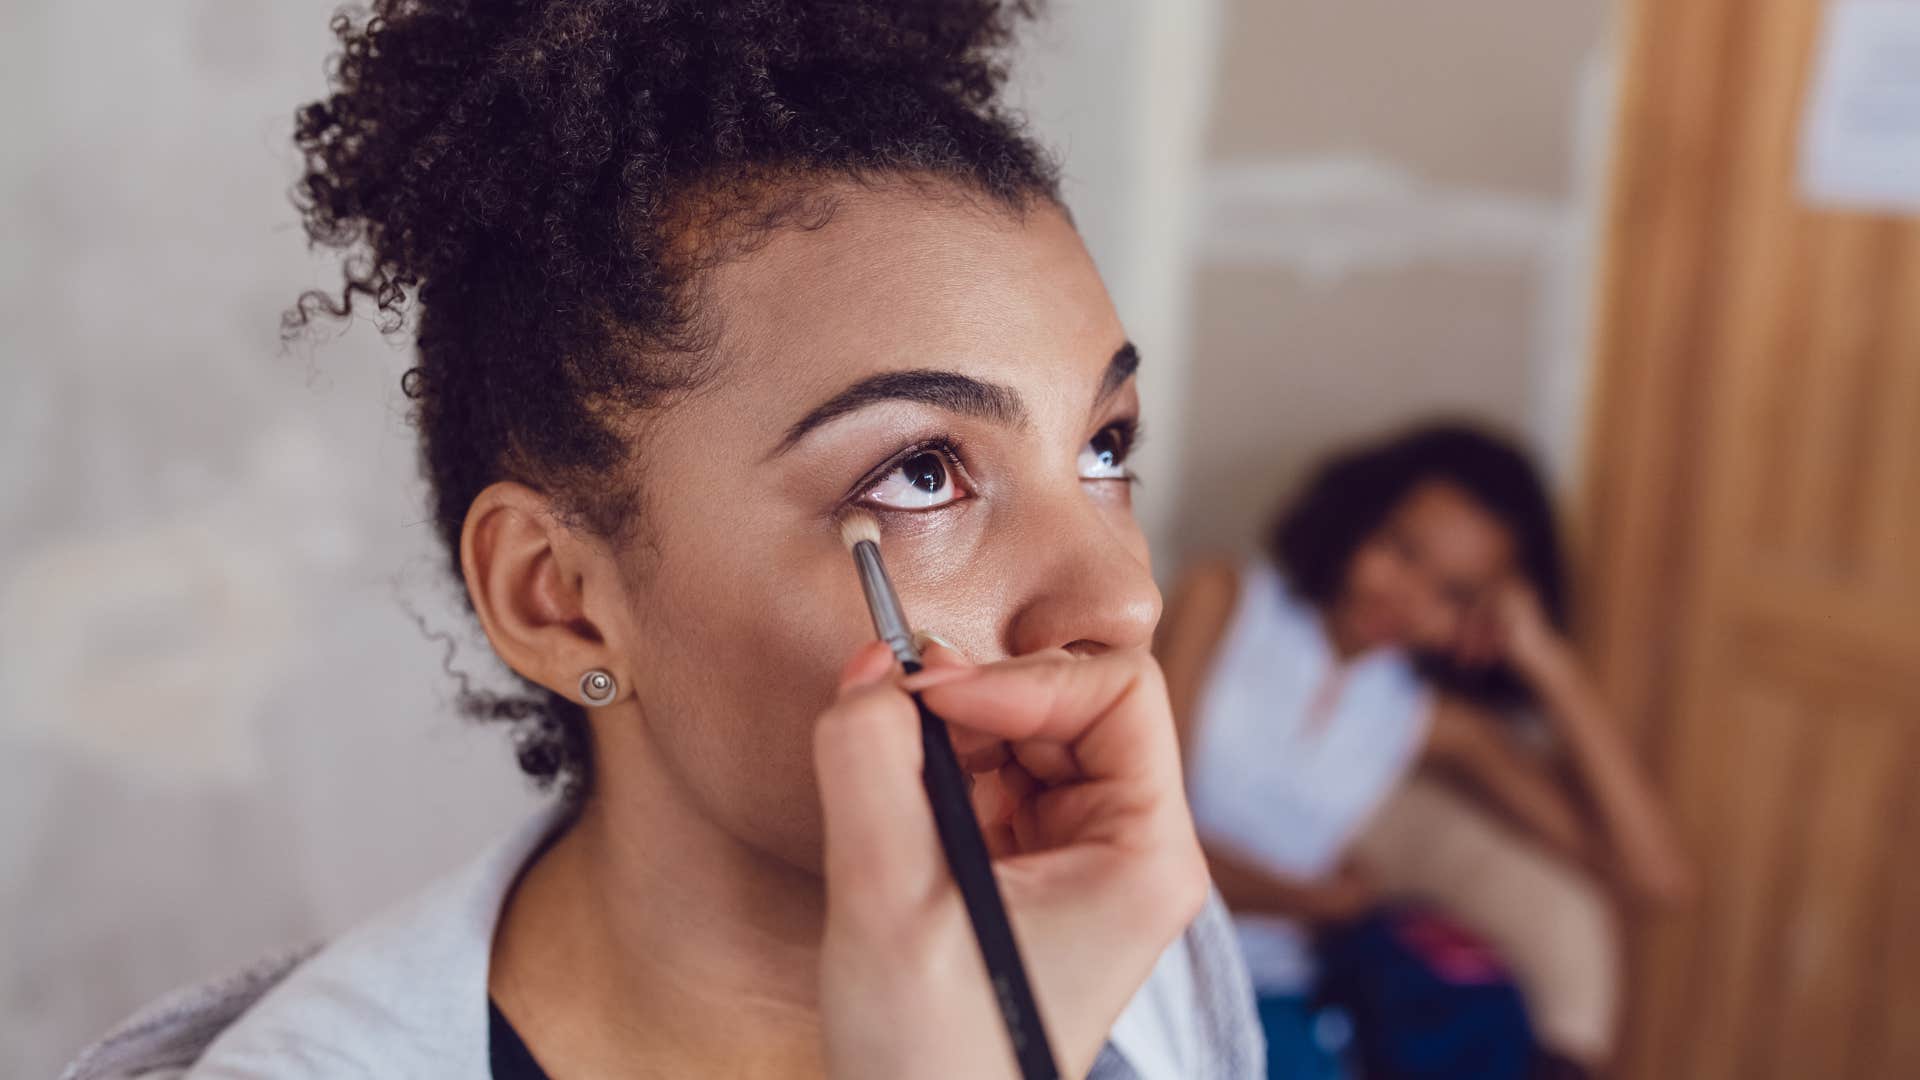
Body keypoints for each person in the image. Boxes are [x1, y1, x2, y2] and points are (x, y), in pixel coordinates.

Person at [62, 3, 1263, 1078]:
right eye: (920, 471)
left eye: (1105, 448)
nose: (1125, 603)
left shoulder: (1131, 940)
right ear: (560, 602)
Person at [1156, 423, 1696, 1078]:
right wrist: (1318, 904)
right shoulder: (1223, 600)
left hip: (1269, 991)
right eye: (1401, 550)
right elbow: (1154, 847)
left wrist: (1550, 665)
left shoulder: (1423, 719)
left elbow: (1658, 878)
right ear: (1356, 519)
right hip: (1147, 954)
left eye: (1453, 593)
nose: (1406, 597)